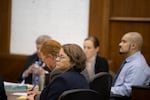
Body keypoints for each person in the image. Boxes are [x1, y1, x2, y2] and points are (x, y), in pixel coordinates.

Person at [111, 32, 150, 97]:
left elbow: (128, 91)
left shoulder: (137, 66)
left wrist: (106, 90)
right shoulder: (130, 61)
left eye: (124, 42)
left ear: (133, 46)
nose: (120, 44)